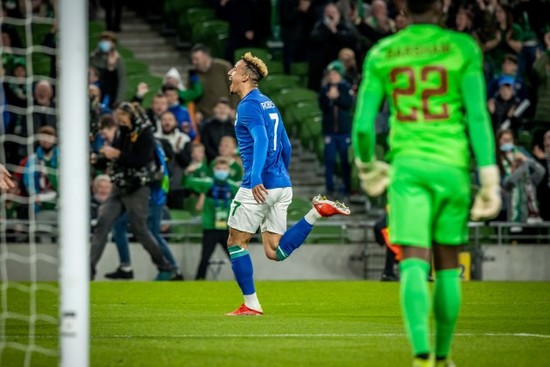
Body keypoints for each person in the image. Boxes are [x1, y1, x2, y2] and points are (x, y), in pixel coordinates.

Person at [352, 1, 502, 366]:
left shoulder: (383, 52)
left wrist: (368, 164)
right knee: (448, 262)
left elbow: (361, 126)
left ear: (403, 7)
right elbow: (479, 116)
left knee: (414, 263)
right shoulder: (462, 47)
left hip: (408, 169)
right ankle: (445, 354)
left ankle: (421, 356)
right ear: (441, 6)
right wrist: (488, 176)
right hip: (452, 167)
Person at [225, 52, 351, 316]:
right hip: (281, 184)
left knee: (236, 243)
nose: (230, 73)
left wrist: (258, 176)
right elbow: (287, 144)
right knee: (275, 251)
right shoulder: (269, 103)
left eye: (235, 70)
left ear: (246, 76)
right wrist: (280, 172)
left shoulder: (247, 105)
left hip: (257, 185)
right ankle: (316, 212)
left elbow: (260, 140)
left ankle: (251, 304)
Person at [90, 102, 176, 280]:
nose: (119, 120)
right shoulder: (121, 132)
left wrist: (117, 155)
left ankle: (165, 265)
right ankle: (88, 268)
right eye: (118, 117)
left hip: (137, 188)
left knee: (140, 230)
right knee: (103, 223)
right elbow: (114, 159)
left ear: (130, 116)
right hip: (119, 186)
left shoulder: (146, 133)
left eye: (121, 117)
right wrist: (98, 160)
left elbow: (141, 160)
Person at [184, 157, 239, 280]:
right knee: (205, 257)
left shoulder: (233, 187)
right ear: (213, 170)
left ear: (229, 171)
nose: (221, 171)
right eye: (218, 168)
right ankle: (199, 280)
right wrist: (188, 172)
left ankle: (244, 281)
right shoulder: (207, 184)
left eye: (224, 169)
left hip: (228, 228)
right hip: (210, 227)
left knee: (235, 257)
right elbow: (188, 182)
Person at [318, 61, 355, 199]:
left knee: (345, 160)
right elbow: (322, 106)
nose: (332, 76)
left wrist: (337, 98)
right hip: (329, 131)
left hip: (344, 131)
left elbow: (348, 104)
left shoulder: (346, 88)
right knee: (329, 160)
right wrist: (329, 99)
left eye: (335, 74)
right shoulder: (324, 88)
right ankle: (329, 187)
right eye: (330, 74)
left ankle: (347, 186)